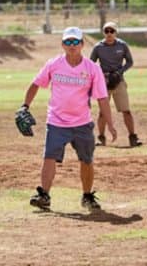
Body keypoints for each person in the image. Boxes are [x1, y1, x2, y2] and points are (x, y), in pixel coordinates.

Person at [21, 26, 117, 211]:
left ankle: (87, 196)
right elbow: (35, 84)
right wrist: (25, 105)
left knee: (86, 160)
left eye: (75, 42)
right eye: (68, 42)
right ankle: (44, 195)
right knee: (49, 157)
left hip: (82, 123)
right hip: (56, 121)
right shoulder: (53, 64)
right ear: (63, 45)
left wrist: (110, 124)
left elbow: (102, 98)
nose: (71, 45)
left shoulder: (92, 68)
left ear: (82, 44)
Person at [90, 21, 142, 147]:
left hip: (119, 81)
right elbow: (91, 64)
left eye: (111, 31)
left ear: (116, 32)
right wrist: (101, 75)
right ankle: (101, 138)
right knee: (102, 112)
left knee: (126, 111)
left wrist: (119, 72)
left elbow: (129, 62)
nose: (109, 34)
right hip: (103, 83)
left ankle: (132, 137)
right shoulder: (98, 47)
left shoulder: (122, 45)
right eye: (106, 31)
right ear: (103, 32)